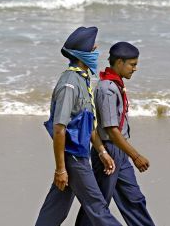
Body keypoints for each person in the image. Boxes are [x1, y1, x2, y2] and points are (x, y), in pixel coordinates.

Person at [35, 26, 122, 226]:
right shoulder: (69, 85)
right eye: (93, 48)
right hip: (72, 157)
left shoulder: (82, 79)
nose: (97, 48)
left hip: (77, 155)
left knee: (55, 209)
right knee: (97, 207)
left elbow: (86, 123)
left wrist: (101, 151)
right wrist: (60, 169)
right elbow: (59, 128)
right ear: (82, 55)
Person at [75, 41, 156, 226]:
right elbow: (112, 131)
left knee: (134, 199)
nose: (135, 69)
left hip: (119, 151)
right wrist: (135, 156)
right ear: (119, 62)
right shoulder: (107, 89)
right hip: (109, 152)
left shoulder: (116, 85)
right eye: (132, 64)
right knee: (99, 203)